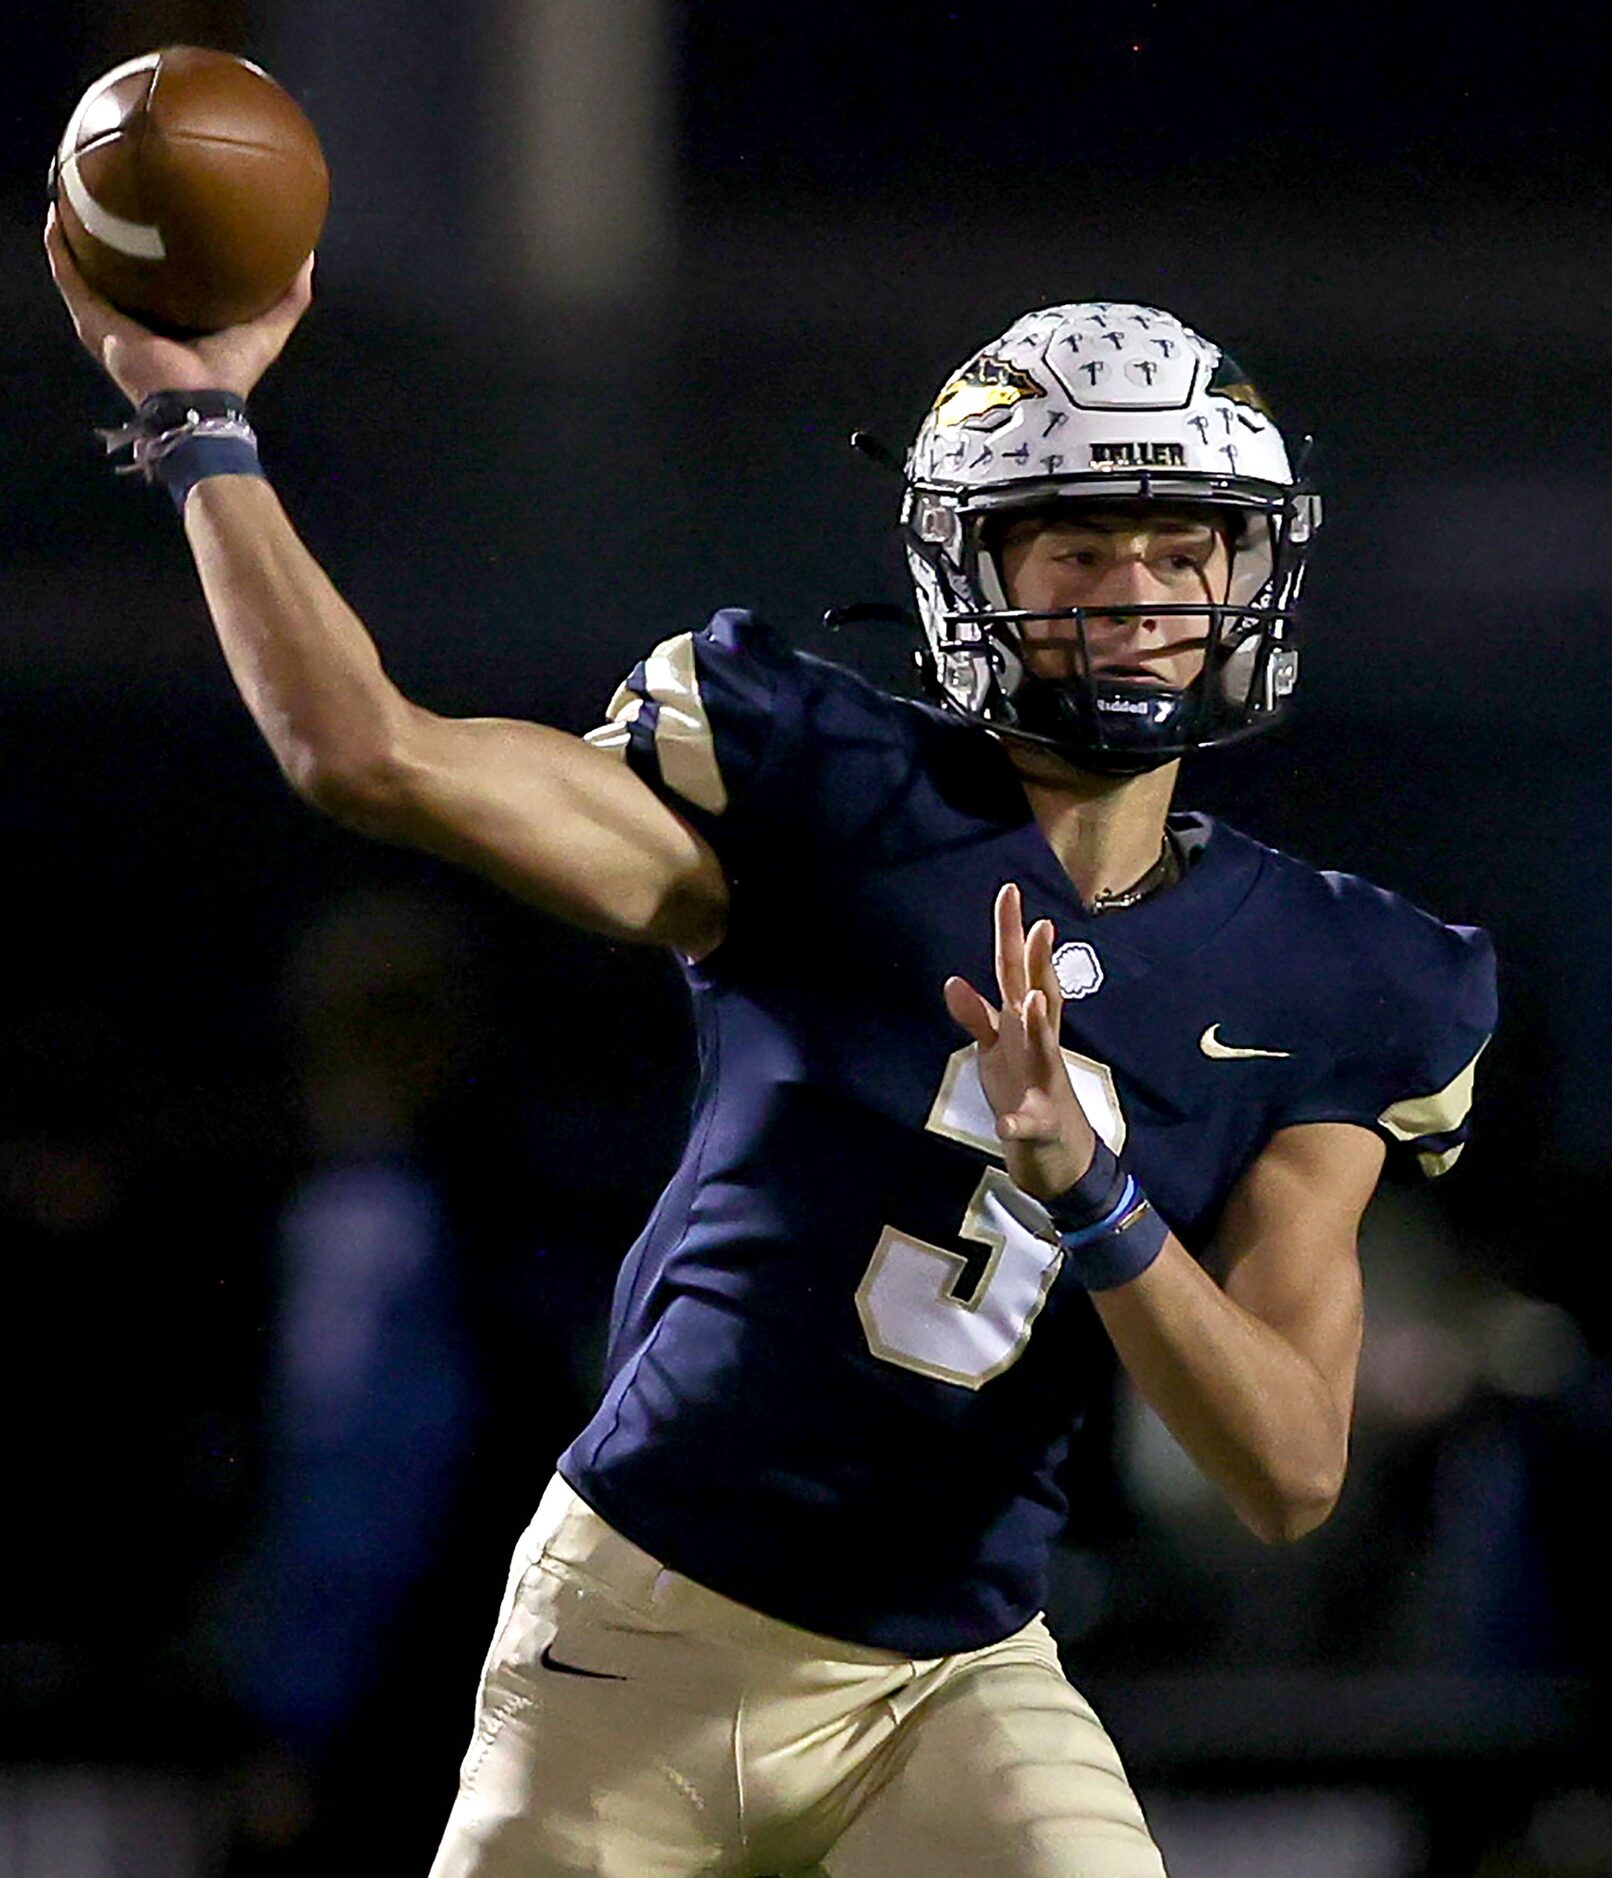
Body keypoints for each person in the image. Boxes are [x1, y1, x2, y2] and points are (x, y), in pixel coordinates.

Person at [48, 215, 1495, 1877]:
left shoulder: (1343, 975)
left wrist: (1098, 1200)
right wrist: (193, 426)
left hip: (955, 1674)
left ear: (1256, 569)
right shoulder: (816, 794)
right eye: (1078, 550)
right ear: (972, 571)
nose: (1142, 599)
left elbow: (1292, 1469)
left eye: (1186, 549)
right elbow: (364, 753)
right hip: (643, 1634)